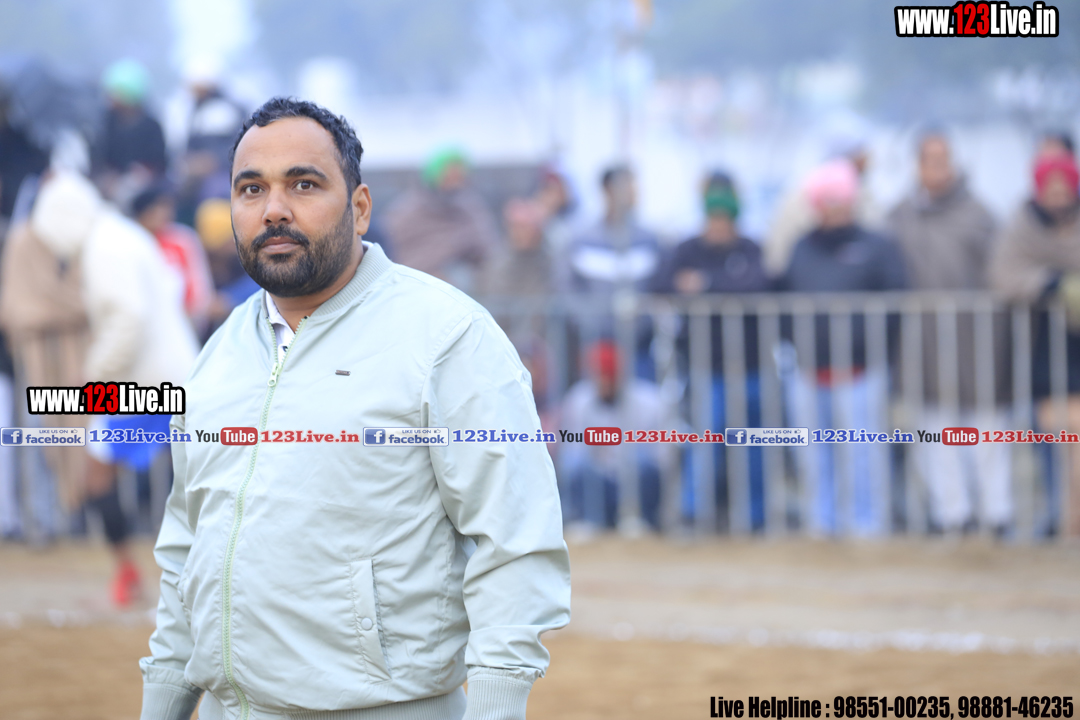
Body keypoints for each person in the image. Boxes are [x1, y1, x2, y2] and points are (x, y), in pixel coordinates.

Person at [138, 98, 570, 720]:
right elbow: (187, 549)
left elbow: (514, 540)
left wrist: (497, 706)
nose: (274, 209)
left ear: (360, 207)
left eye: (303, 184)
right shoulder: (219, 354)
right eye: (251, 188)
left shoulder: (446, 337)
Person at [30, 171, 199, 605]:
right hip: (172, 373)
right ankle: (154, 576)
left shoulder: (104, 245)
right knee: (192, 480)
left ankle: (129, 575)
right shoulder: (120, 235)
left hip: (145, 382)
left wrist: (93, 378)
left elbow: (128, 319)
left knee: (97, 475)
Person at [887, 131, 1012, 536]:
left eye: (943, 159)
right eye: (930, 159)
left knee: (986, 428)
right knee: (935, 431)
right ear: (918, 165)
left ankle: (996, 513)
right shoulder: (900, 216)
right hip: (923, 341)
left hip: (979, 337)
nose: (937, 168)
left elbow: (1000, 270)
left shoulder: (980, 214)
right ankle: (951, 514)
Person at [779, 159, 907, 537]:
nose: (833, 208)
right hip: (809, 368)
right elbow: (786, 297)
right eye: (826, 200)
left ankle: (867, 523)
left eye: (839, 199)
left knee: (863, 451)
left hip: (860, 369)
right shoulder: (802, 246)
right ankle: (822, 521)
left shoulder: (876, 246)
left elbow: (894, 299)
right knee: (814, 453)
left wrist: (869, 343)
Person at [654, 172, 769, 530]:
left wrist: (704, 284)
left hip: (751, 365)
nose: (717, 226)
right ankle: (694, 513)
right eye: (713, 218)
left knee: (752, 443)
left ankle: (755, 516)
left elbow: (757, 285)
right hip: (705, 365)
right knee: (705, 438)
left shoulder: (750, 249)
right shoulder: (687, 249)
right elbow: (660, 284)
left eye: (724, 219)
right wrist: (721, 287)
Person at [990, 152, 1080, 537]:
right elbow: (1004, 275)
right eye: (1051, 187)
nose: (1058, 194)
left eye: (1064, 186)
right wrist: (1052, 284)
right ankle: (1061, 517)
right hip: (1044, 349)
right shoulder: (1022, 227)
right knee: (1053, 438)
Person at [0, 184, 91, 540]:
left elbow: (93, 299)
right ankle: (42, 520)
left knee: (84, 435)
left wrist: (57, 310)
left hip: (78, 358)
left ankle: (78, 516)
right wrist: (66, 311)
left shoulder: (83, 237)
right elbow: (16, 308)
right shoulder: (22, 240)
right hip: (32, 359)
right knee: (37, 439)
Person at [559, 340, 673, 535]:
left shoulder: (650, 401)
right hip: (599, 479)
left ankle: (639, 519)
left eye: (609, 377)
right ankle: (587, 519)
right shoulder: (578, 400)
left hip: (634, 479)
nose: (604, 383)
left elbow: (663, 457)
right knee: (575, 462)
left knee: (644, 462)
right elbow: (571, 453)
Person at [564, 165, 663, 379]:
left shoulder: (649, 240)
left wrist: (642, 322)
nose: (634, 192)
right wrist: (592, 323)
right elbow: (568, 290)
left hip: (640, 347)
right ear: (608, 190)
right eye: (628, 185)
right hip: (597, 348)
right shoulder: (582, 241)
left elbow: (658, 288)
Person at [764, 120, 882, 275]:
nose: (867, 161)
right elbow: (780, 256)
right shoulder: (802, 195)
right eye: (860, 153)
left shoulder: (864, 194)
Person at [383, 146, 499, 294]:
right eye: (450, 176)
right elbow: (392, 252)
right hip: (412, 285)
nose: (455, 183)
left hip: (463, 288)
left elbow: (487, 251)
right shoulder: (407, 212)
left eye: (459, 176)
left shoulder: (471, 210)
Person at [131, 184, 215, 335]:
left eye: (167, 208)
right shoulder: (131, 242)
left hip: (182, 321)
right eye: (157, 208)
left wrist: (194, 316)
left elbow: (198, 284)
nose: (164, 213)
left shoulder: (182, 239)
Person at [91, 59, 168, 206]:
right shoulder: (106, 122)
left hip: (141, 184)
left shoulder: (151, 126)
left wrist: (138, 175)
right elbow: (99, 157)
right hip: (109, 180)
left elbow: (159, 163)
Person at [193, 197, 260, 335]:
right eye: (231, 236)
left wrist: (228, 298)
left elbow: (261, 283)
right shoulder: (197, 259)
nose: (238, 240)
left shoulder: (244, 257)